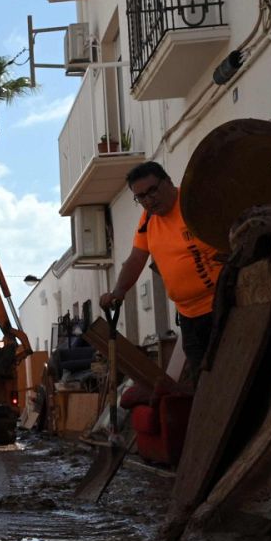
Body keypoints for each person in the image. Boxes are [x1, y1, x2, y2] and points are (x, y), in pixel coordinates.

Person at [98, 161, 225, 382]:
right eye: (141, 197)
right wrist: (118, 292)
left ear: (168, 181)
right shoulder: (148, 220)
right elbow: (136, 259)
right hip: (189, 317)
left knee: (235, 373)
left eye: (152, 190)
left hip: (222, 307)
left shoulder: (195, 203)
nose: (148, 199)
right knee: (204, 382)